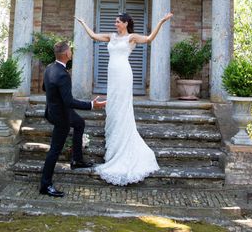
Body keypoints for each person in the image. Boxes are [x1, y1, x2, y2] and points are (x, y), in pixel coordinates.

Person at [75, 11, 173, 186]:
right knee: (112, 108)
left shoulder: (132, 37)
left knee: (122, 108)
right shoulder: (111, 36)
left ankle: (124, 147)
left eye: (118, 22)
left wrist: (161, 22)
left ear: (126, 23)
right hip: (112, 75)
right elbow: (94, 36)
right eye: (115, 21)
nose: (115, 24)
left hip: (124, 74)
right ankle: (114, 145)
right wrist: (83, 23)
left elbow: (150, 38)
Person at [40, 40, 106, 198]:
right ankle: (45, 185)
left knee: (79, 123)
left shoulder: (50, 68)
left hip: (54, 110)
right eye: (70, 50)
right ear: (66, 54)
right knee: (55, 150)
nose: (71, 51)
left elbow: (44, 88)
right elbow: (69, 101)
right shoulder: (63, 75)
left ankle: (77, 160)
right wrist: (92, 105)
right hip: (61, 116)